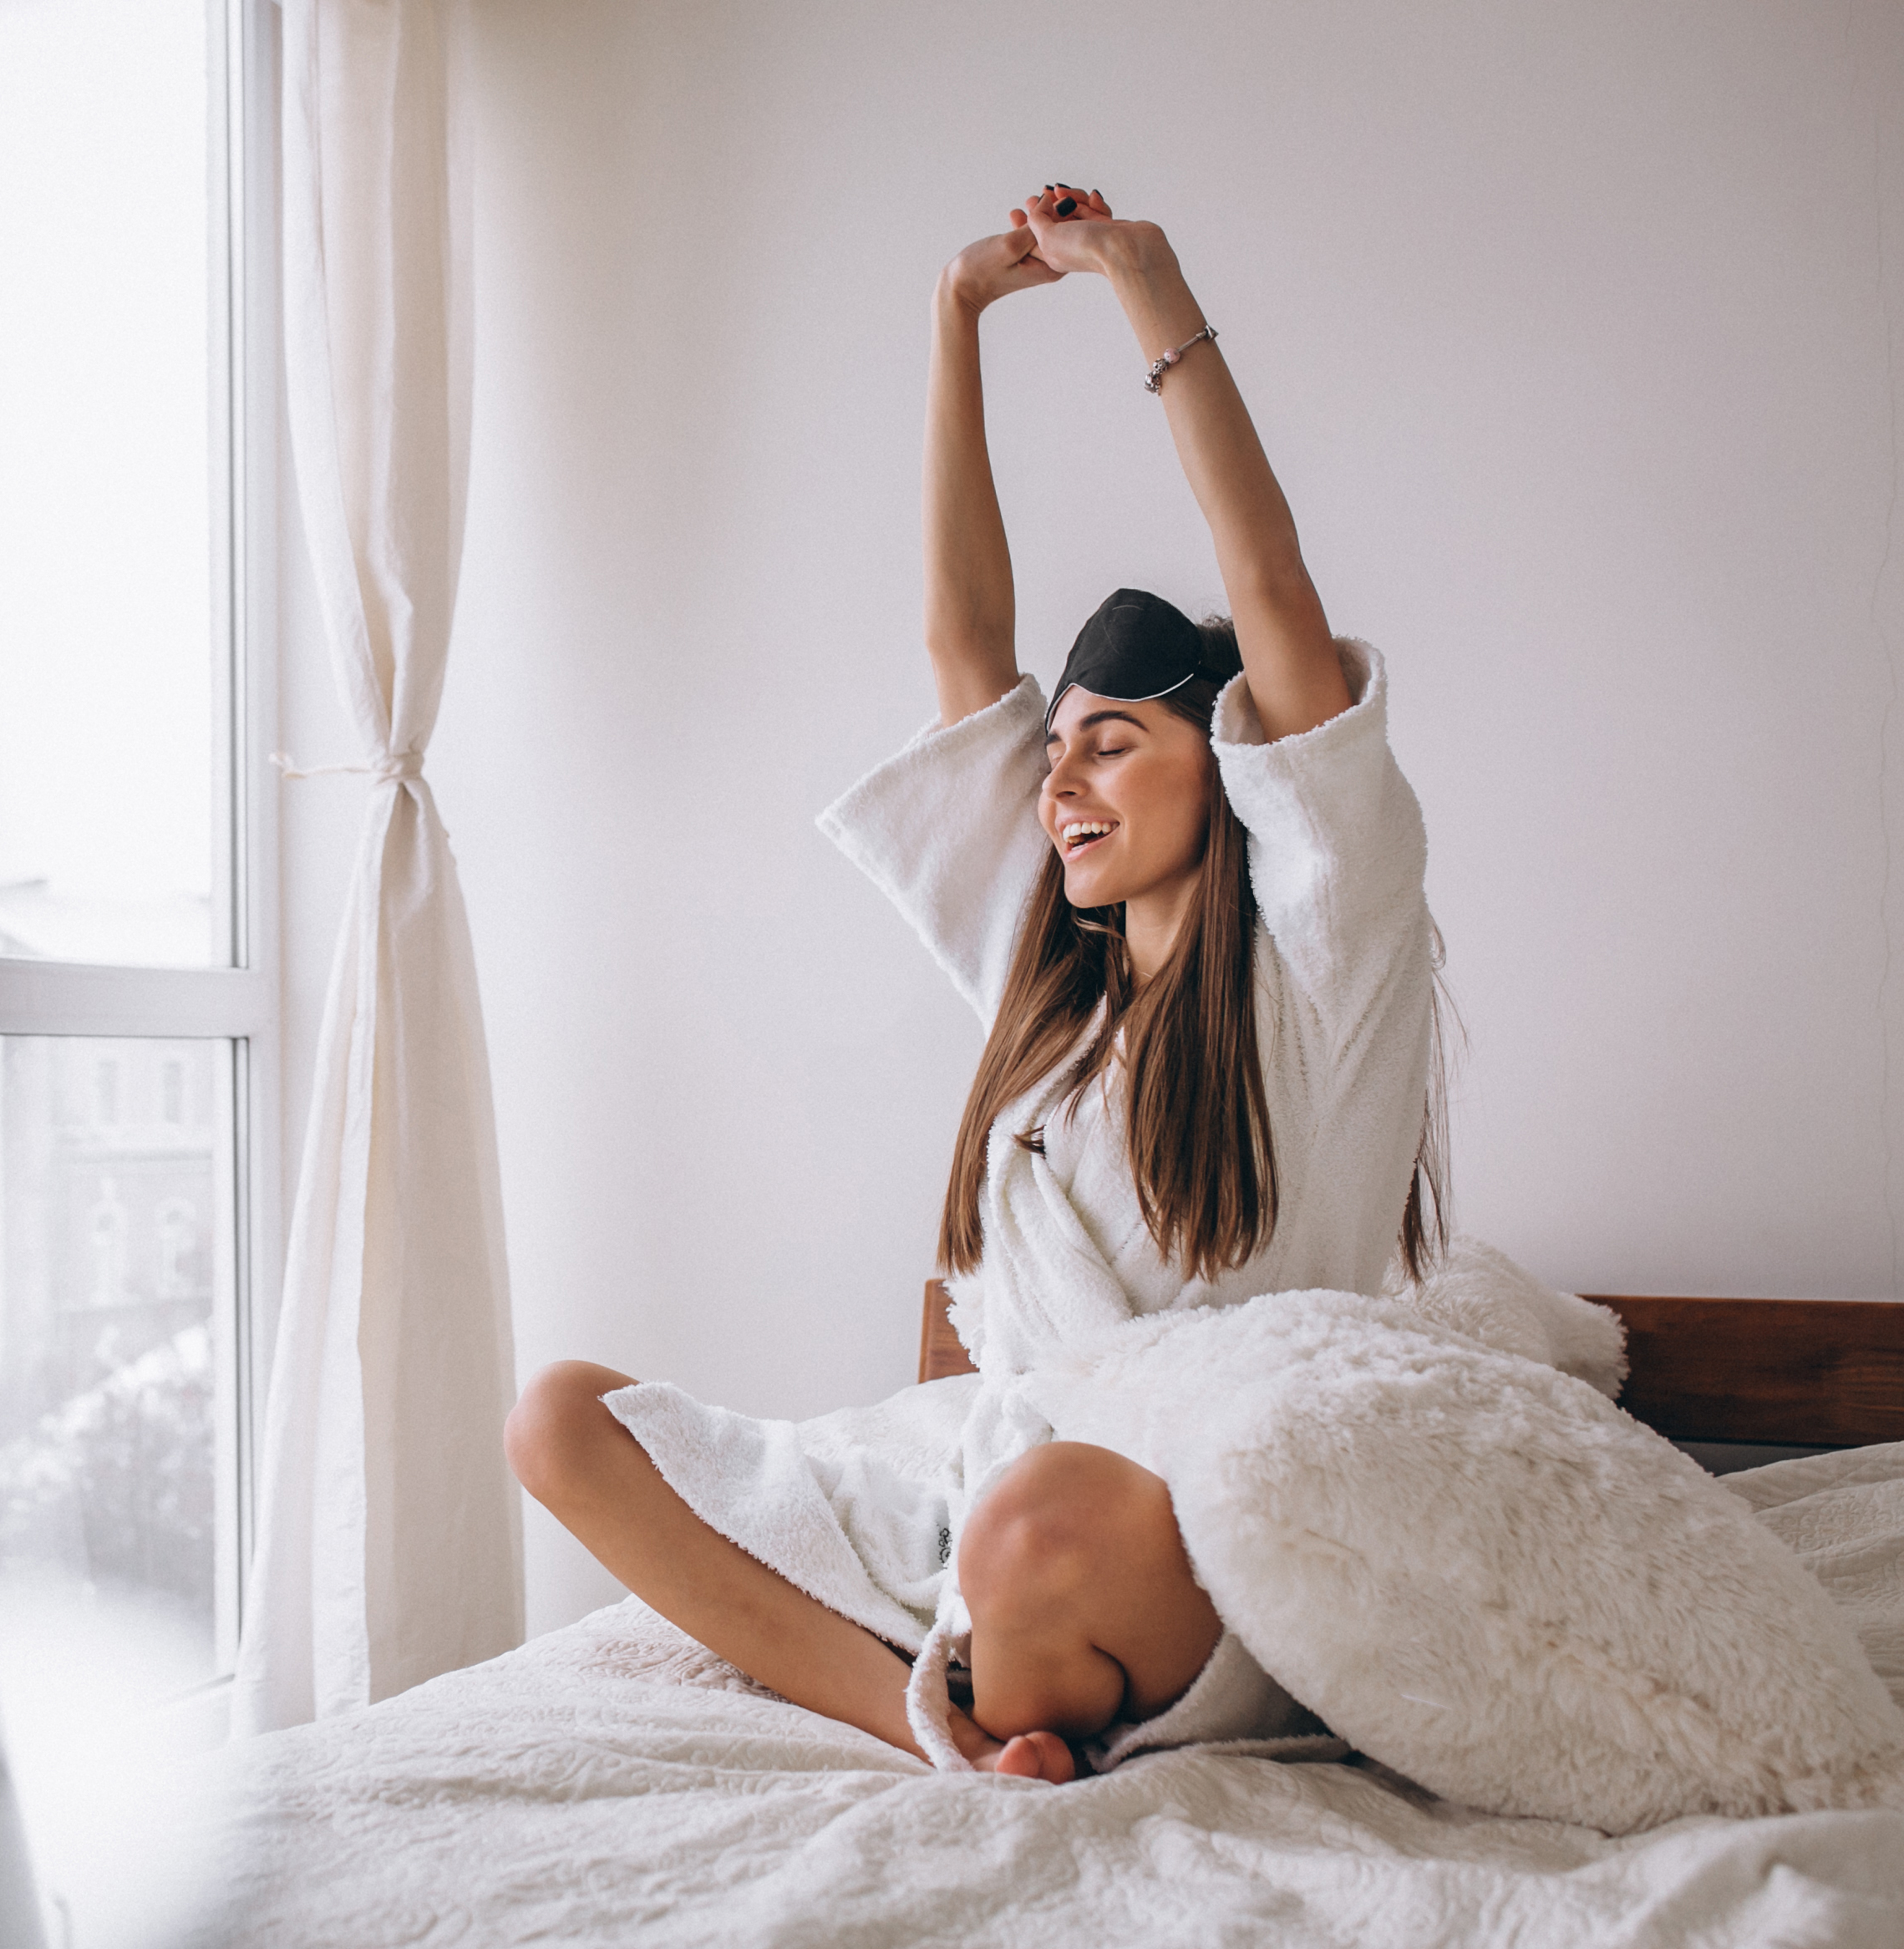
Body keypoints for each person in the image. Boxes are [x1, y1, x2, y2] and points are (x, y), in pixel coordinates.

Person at [505, 185, 1443, 1783]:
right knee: (561, 1419)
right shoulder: (1053, 984)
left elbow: (1274, 590)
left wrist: (1145, 283)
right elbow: (961, 644)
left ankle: (987, 1659)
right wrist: (955, 317)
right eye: (1057, 749)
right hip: (995, 1493)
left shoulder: (1327, 957)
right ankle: (923, 1713)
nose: (1058, 782)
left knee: (1032, 1526)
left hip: (1186, 1535)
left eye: (1112, 744)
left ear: (1231, 768)